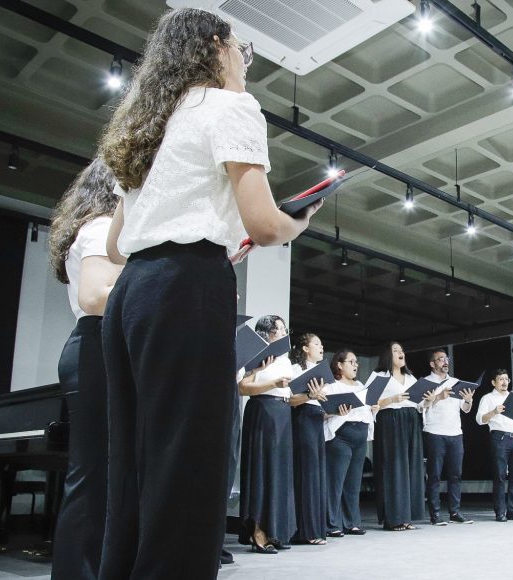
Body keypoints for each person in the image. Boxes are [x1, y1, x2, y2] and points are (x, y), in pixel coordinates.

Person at [98, 9, 321, 576]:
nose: (246, 64)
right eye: (243, 50)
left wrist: (217, 243)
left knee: (133, 462)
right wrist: (299, 222)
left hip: (134, 293)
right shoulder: (229, 107)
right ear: (217, 46)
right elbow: (268, 224)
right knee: (190, 461)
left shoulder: (144, 127)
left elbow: (120, 246)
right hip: (186, 289)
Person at [48, 160, 121, 580]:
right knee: (93, 479)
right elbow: (96, 298)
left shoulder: (107, 229)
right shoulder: (100, 228)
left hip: (103, 348)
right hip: (96, 347)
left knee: (104, 480)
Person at [237, 315, 297, 554]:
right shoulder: (255, 355)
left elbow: (289, 393)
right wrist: (272, 383)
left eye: (284, 330)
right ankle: (258, 532)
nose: (282, 333)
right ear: (266, 333)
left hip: (282, 413)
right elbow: (242, 387)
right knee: (263, 470)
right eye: (277, 330)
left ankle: (276, 530)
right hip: (262, 410)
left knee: (279, 473)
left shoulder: (286, 361)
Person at [369, 341, 425, 531]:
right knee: (393, 468)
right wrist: (392, 399)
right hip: (390, 419)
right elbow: (369, 402)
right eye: (395, 350)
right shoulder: (379, 376)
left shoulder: (410, 377)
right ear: (387, 355)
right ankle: (393, 518)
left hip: (411, 420)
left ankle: (407, 516)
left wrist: (429, 400)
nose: (401, 353)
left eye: (402, 350)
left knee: (411, 466)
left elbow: (419, 403)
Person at [323, 349, 376, 538]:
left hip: (360, 436)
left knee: (353, 483)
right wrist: (337, 411)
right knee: (336, 483)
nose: (356, 365)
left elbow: (365, 410)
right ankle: (332, 524)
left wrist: (373, 408)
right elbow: (322, 412)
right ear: (339, 364)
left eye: (356, 362)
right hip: (341, 436)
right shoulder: (331, 386)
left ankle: (352, 523)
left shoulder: (361, 385)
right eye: (351, 362)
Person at [421, 349, 474, 525]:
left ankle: (455, 512)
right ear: (432, 364)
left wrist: (468, 400)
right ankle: (435, 514)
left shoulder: (456, 382)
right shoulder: (425, 382)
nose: (445, 362)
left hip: (455, 433)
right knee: (434, 475)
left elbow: (465, 409)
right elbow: (420, 407)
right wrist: (438, 397)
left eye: (446, 358)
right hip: (435, 432)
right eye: (440, 359)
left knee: (456, 475)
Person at [288, 333, 330, 546]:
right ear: (305, 348)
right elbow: (289, 400)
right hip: (302, 418)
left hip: (316, 420)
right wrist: (310, 396)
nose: (321, 347)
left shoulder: (322, 374)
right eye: (317, 343)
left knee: (317, 474)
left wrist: (335, 411)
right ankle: (304, 530)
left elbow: (322, 405)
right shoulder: (295, 370)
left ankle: (316, 529)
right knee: (306, 473)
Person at [476, 369, 513, 522]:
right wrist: (494, 412)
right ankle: (500, 512)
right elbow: (480, 420)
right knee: (500, 476)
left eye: (506, 379)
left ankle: (512, 510)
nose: (504, 382)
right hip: (499, 438)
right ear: (494, 382)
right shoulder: (487, 398)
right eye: (501, 379)